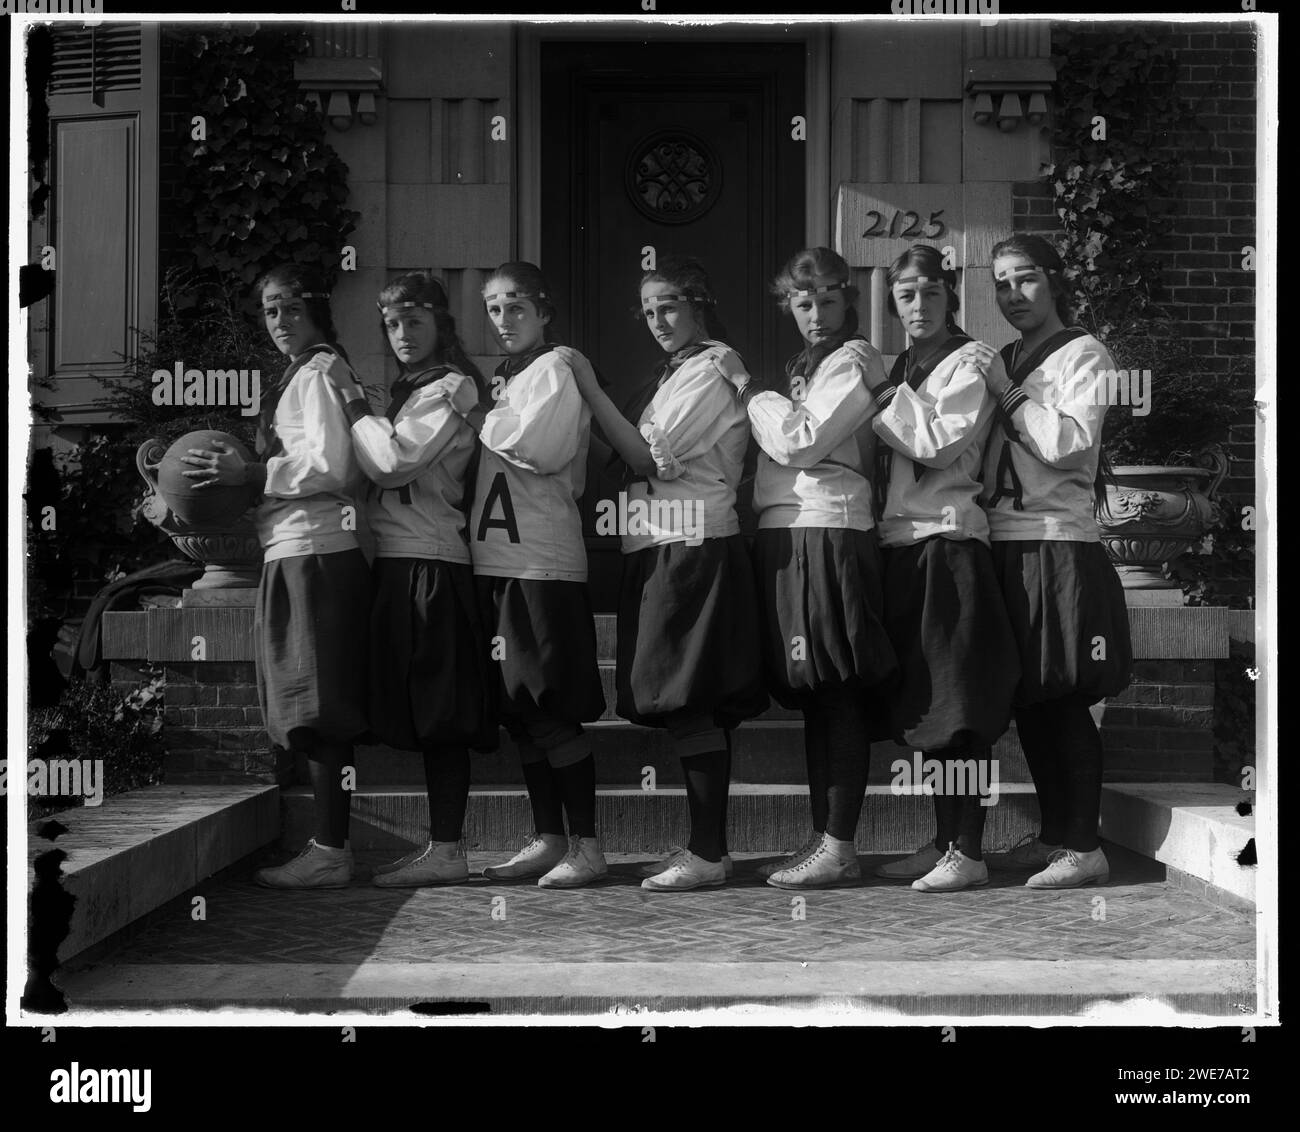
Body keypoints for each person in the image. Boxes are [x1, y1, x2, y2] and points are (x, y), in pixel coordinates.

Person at [557, 255, 768, 891]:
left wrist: (588, 390)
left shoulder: (710, 369)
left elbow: (652, 458)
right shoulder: (669, 373)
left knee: (690, 698)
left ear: (699, 302)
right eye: (648, 310)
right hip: (653, 542)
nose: (657, 320)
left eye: (669, 305)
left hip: (691, 542)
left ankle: (706, 852)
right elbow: (620, 458)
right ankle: (710, 849)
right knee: (680, 698)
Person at [183, 263, 370, 889]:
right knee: (306, 700)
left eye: (291, 308)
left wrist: (252, 475)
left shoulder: (316, 375)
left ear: (316, 309)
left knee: (317, 704)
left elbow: (332, 464)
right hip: (292, 548)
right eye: (269, 311)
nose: (280, 322)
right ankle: (329, 847)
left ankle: (330, 850)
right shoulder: (302, 375)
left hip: (314, 550)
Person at [313, 271, 498, 886]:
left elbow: (393, 465)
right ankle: (434, 847)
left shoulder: (449, 387)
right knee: (413, 710)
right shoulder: (407, 389)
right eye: (391, 324)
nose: (401, 334)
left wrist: (354, 403)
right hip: (397, 563)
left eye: (414, 321)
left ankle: (448, 849)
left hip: (434, 563)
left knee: (441, 713)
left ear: (441, 324)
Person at [962, 234, 1133, 888]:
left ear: (1054, 280)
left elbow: (1069, 442)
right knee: (1031, 699)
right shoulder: (1005, 355)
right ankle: (1057, 834)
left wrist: (1006, 393)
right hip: (1003, 541)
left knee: (1065, 696)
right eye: (1002, 283)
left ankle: (1086, 846)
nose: (1013, 295)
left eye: (1026, 279)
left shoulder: (1085, 354)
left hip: (1058, 542)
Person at [731, 246, 898, 889]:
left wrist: (750, 390)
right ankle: (823, 839)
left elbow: (799, 442)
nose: (818, 313)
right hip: (790, 529)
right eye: (805, 302)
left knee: (836, 686)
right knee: (814, 695)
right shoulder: (809, 364)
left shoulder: (853, 359)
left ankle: (841, 843)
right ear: (789, 306)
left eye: (830, 300)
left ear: (848, 301)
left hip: (830, 527)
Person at [865, 244, 1021, 893]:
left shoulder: (968, 362)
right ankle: (942, 841)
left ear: (949, 294)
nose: (919, 304)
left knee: (962, 707)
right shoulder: (906, 363)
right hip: (903, 544)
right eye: (906, 294)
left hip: (949, 544)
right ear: (893, 301)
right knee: (930, 706)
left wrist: (878, 393)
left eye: (930, 292)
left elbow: (936, 442)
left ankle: (969, 850)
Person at [447, 262, 608, 889]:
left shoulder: (555, 369)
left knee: (547, 708)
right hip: (496, 561)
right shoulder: (507, 379)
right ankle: (550, 837)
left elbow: (537, 448)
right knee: (519, 711)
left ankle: (589, 847)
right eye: (492, 309)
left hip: (540, 565)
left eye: (516, 307)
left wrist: (479, 410)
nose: (504, 320)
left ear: (544, 312)